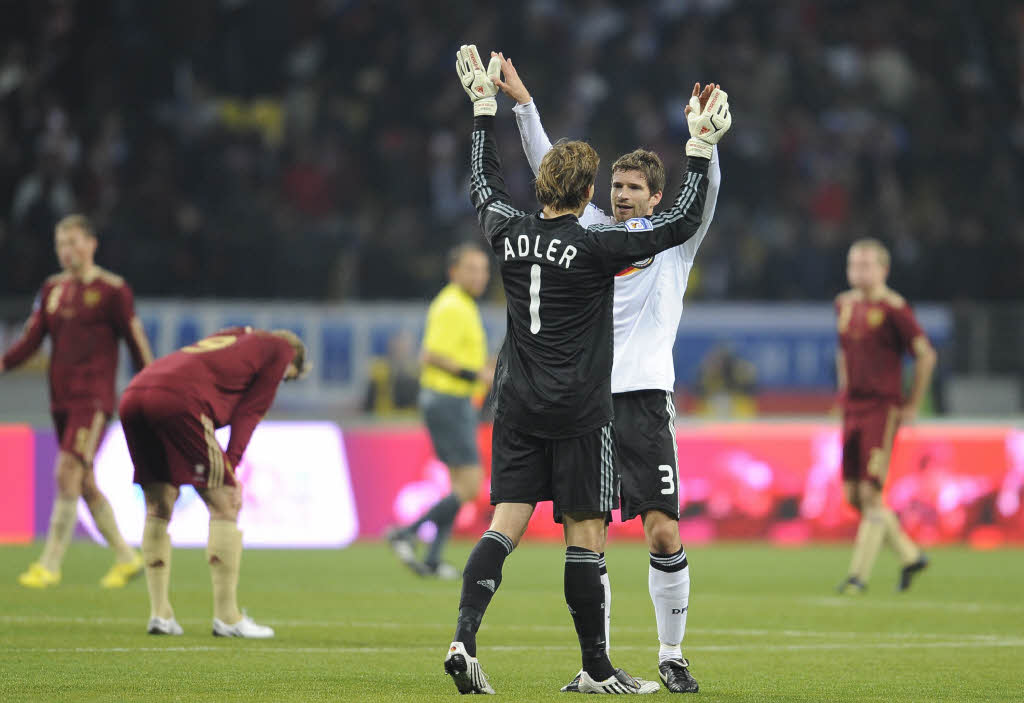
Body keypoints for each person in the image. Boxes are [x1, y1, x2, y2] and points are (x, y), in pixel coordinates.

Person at [444, 44, 730, 695]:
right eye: (616, 188)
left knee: (661, 529)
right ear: (600, 196)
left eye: (634, 189)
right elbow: (555, 171)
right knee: (588, 534)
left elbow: (695, 209)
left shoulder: (668, 247)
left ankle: (670, 651)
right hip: (587, 404)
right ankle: (595, 663)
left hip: (641, 399)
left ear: (653, 196)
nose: (623, 196)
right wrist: (526, 108)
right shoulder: (598, 239)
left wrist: (702, 147)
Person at [118, 326, 308, 637]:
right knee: (225, 502)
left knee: (159, 502)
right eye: (287, 377)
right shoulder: (281, 349)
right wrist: (230, 471)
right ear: (294, 359)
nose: (280, 381)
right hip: (178, 400)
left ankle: (160, 614)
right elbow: (250, 412)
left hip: (135, 394)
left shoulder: (237, 336)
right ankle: (228, 618)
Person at [2, 214, 153, 589]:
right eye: (61, 244)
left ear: (91, 244)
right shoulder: (52, 289)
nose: (67, 251)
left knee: (66, 471)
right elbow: (32, 341)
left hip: (94, 400)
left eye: (73, 242)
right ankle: (125, 555)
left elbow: (136, 343)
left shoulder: (112, 290)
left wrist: (151, 385)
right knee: (83, 481)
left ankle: (49, 565)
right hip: (61, 401)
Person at [835, 238, 935, 593]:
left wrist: (911, 404)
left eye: (866, 265)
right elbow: (844, 352)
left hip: (881, 408)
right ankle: (910, 556)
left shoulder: (895, 309)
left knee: (871, 495)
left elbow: (925, 355)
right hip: (852, 407)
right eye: (853, 264)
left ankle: (856, 578)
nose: (858, 271)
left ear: (883, 270)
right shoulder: (843, 304)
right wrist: (843, 390)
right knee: (852, 495)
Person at [388, 244, 493, 578]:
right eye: (472, 269)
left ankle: (432, 558)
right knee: (471, 485)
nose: (480, 276)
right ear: (454, 272)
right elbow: (430, 355)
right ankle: (404, 532)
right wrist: (476, 374)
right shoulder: (451, 306)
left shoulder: (463, 305)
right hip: (449, 399)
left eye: (483, 269)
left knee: (458, 484)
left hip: (455, 401)